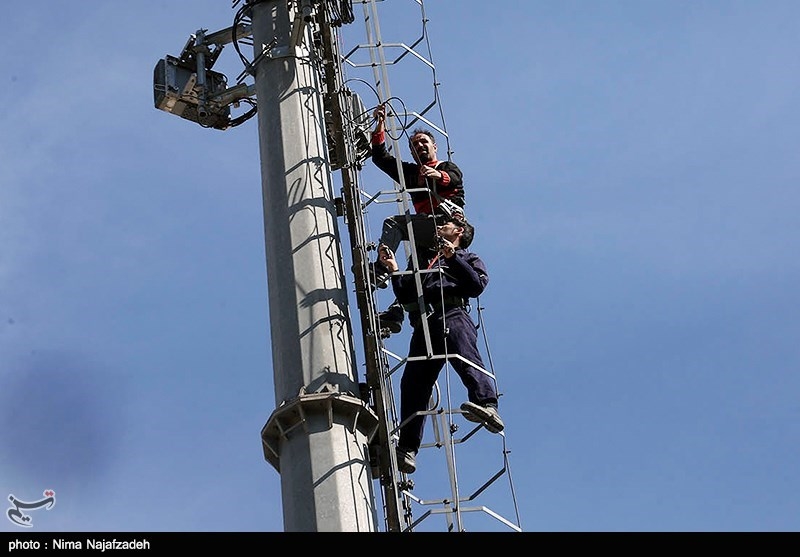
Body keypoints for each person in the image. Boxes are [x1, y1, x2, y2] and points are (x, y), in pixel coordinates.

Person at [377, 216, 504, 474]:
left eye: (445, 224)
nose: (439, 226)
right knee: (413, 383)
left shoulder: (468, 258)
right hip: (425, 323)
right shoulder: (428, 261)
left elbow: (476, 285)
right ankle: (408, 447)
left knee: (466, 357)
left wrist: (452, 257)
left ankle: (487, 406)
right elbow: (407, 295)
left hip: (453, 313)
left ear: (458, 231)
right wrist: (394, 271)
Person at [369, 103, 466, 334]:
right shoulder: (412, 173)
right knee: (417, 275)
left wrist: (437, 175)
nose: (420, 146)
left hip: (445, 225)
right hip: (430, 234)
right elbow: (381, 159)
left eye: (424, 142)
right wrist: (380, 124)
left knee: (394, 223)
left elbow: (453, 178)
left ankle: (382, 267)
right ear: (412, 153)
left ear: (435, 146)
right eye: (415, 144)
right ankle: (398, 313)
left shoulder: (446, 166)